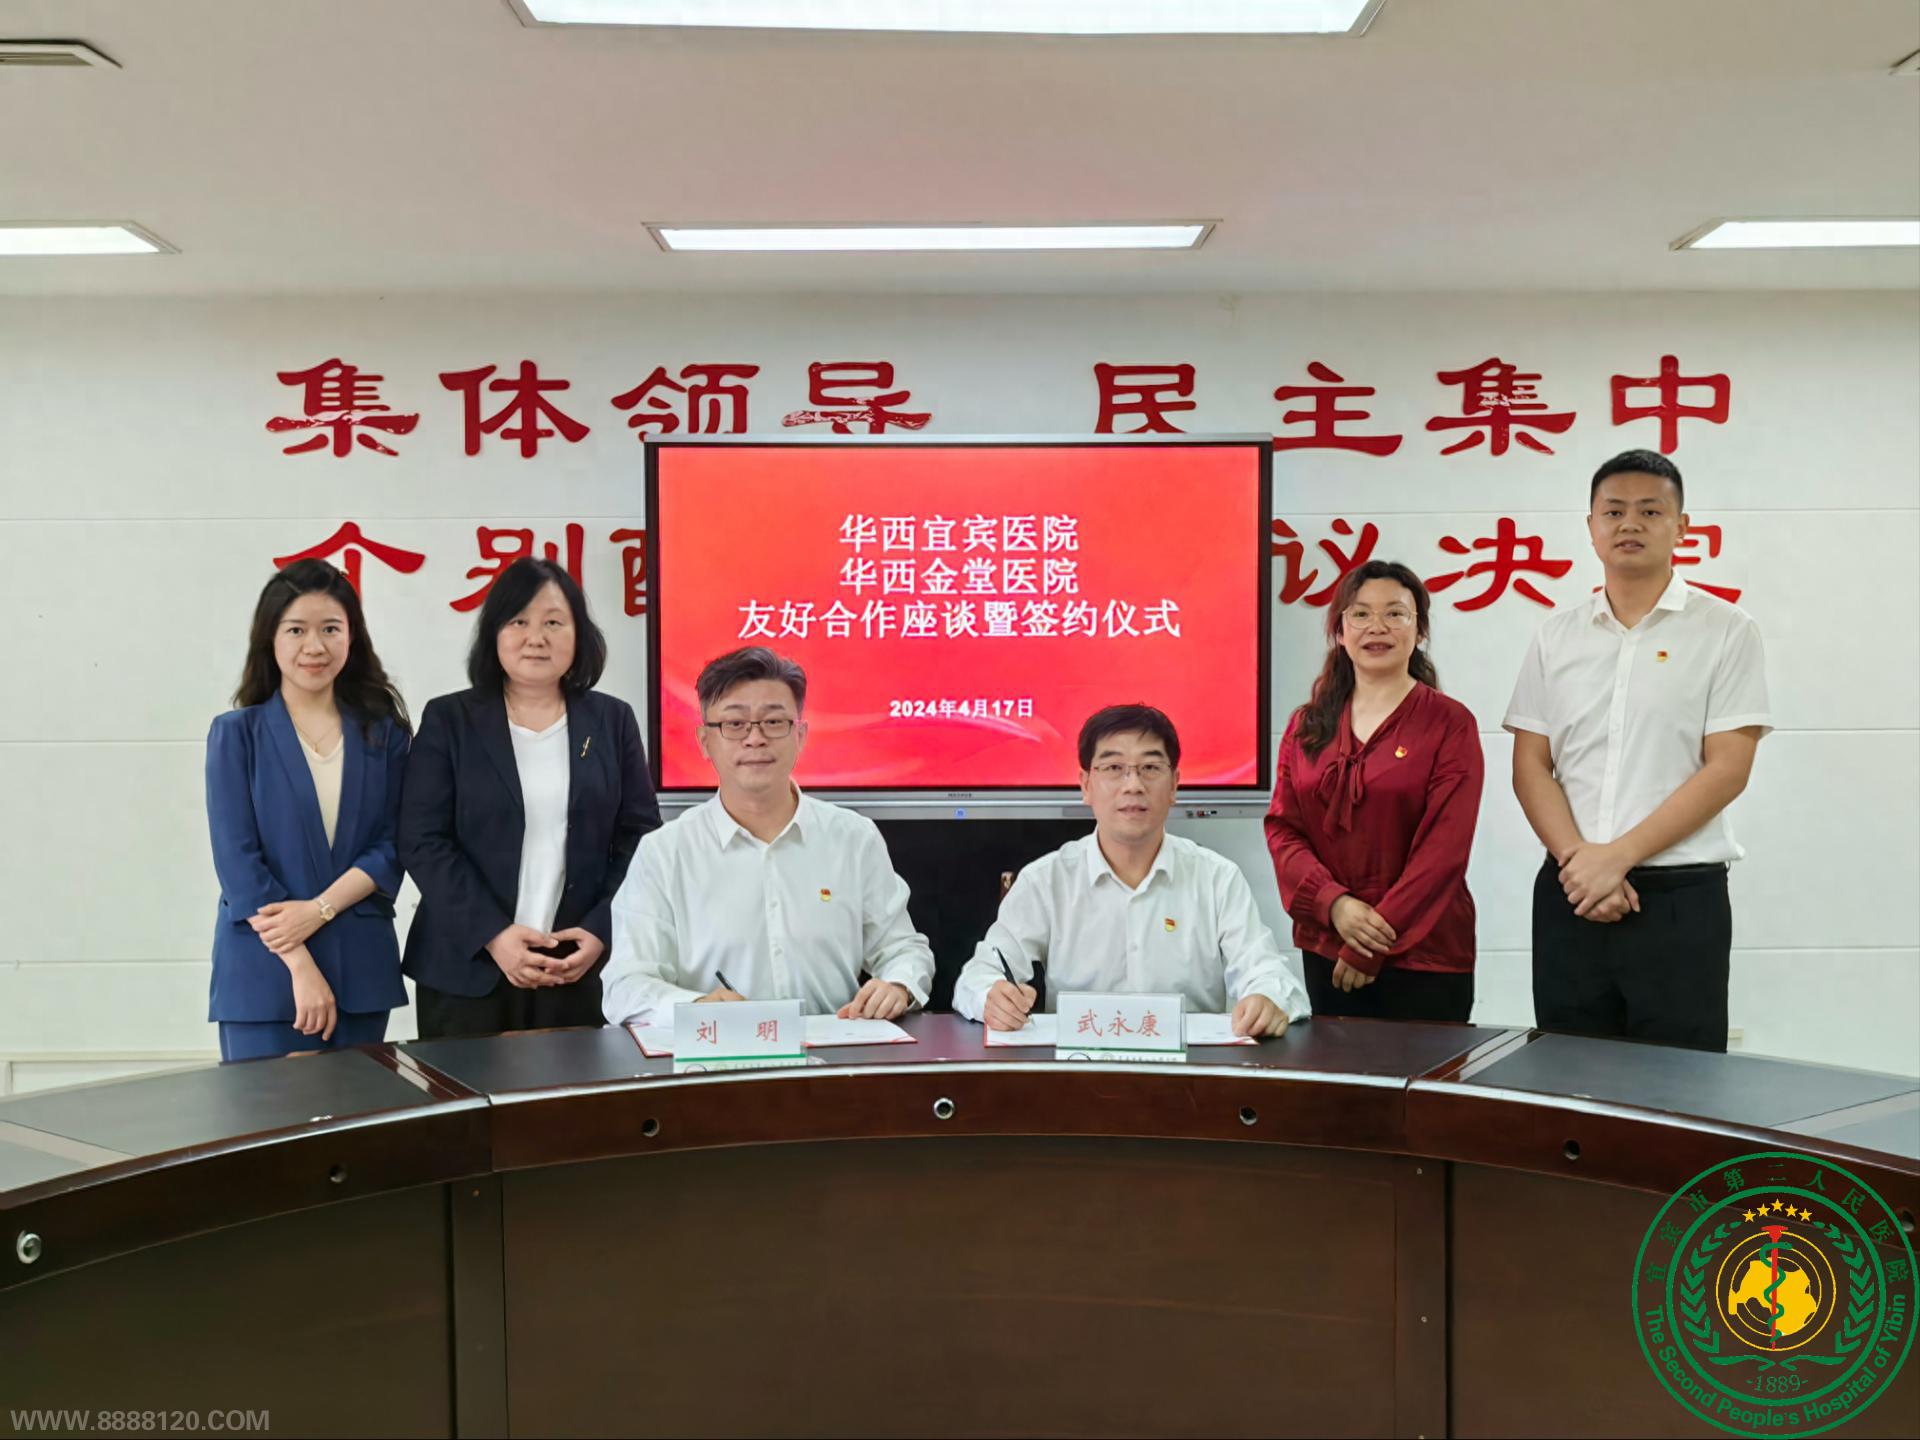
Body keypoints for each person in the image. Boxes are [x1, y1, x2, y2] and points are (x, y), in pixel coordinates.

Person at [1506, 449, 1770, 1052]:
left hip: (1680, 902)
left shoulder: (1727, 630)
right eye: (1614, 511)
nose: (1630, 524)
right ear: (1591, 526)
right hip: (1570, 894)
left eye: (1650, 511)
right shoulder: (1556, 635)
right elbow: (1531, 766)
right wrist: (1580, 864)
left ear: (1682, 527)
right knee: (1567, 1081)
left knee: (1681, 1086)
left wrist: (1617, 858)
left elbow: (1728, 768)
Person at [601, 647, 935, 1027]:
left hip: (833, 1053)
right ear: (704, 741)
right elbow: (624, 986)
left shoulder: (853, 838)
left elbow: (903, 949)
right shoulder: (665, 852)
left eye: (774, 722)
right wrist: (697, 1006)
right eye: (735, 724)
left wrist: (898, 984)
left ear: (800, 735)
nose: (755, 738)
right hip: (716, 1054)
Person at [400, 558, 659, 1038]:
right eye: (518, 621)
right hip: (467, 969)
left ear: (579, 635)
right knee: (463, 1090)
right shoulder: (449, 719)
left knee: (574, 1090)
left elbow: (640, 838)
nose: (536, 638)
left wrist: (601, 930)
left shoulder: (612, 721)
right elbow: (422, 839)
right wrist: (494, 935)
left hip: (576, 967)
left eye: (554, 623)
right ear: (494, 633)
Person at [953, 704, 1308, 1036]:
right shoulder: (1047, 880)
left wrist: (1267, 998)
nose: (1133, 785)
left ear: (1175, 784)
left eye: (1150, 768)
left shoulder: (1216, 878)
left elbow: (1268, 972)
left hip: (1190, 1072)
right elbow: (977, 976)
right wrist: (991, 997)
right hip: (1077, 1069)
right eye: (1113, 768)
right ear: (1085, 785)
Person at [205, 559, 411, 1061]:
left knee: (359, 1112)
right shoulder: (237, 735)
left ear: (352, 637)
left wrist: (319, 910)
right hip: (265, 972)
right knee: (267, 1113)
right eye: (296, 630)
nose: (314, 646)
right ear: (270, 639)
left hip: (360, 969)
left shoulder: (385, 734)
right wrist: (298, 961)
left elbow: (394, 844)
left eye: (330, 629)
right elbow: (238, 861)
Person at [1265, 561, 1483, 1022]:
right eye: (1360, 614)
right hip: (1328, 946)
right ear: (1340, 631)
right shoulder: (1307, 725)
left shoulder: (1449, 723)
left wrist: (1372, 942)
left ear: (1419, 630)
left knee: (1428, 1072)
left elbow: (1444, 850)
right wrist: (1334, 905)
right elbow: (1284, 831)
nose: (1377, 627)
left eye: (1395, 614)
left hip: (1426, 955)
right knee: (1337, 1071)